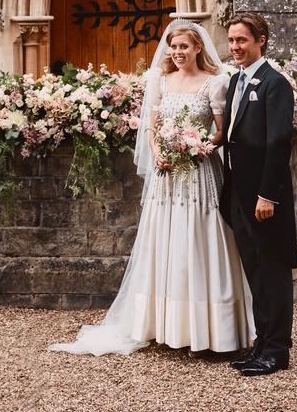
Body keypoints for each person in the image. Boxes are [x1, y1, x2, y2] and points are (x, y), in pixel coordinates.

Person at [50, 20, 253, 355]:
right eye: (173, 47)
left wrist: (196, 147)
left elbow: (221, 131)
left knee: (201, 241)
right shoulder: (159, 79)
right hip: (167, 178)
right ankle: (165, 325)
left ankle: (211, 329)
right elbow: (151, 129)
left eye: (184, 47)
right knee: (167, 241)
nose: (178, 53)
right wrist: (161, 153)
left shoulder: (215, 83)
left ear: (198, 48)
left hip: (199, 174)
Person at [220, 12, 297, 377]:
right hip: (239, 194)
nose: (235, 47)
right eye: (232, 40)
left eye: (242, 41)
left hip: (265, 200)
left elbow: (279, 143)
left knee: (273, 272)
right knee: (255, 272)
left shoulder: (275, 83)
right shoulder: (236, 81)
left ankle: (277, 352)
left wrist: (268, 194)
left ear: (260, 40)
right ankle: (260, 345)